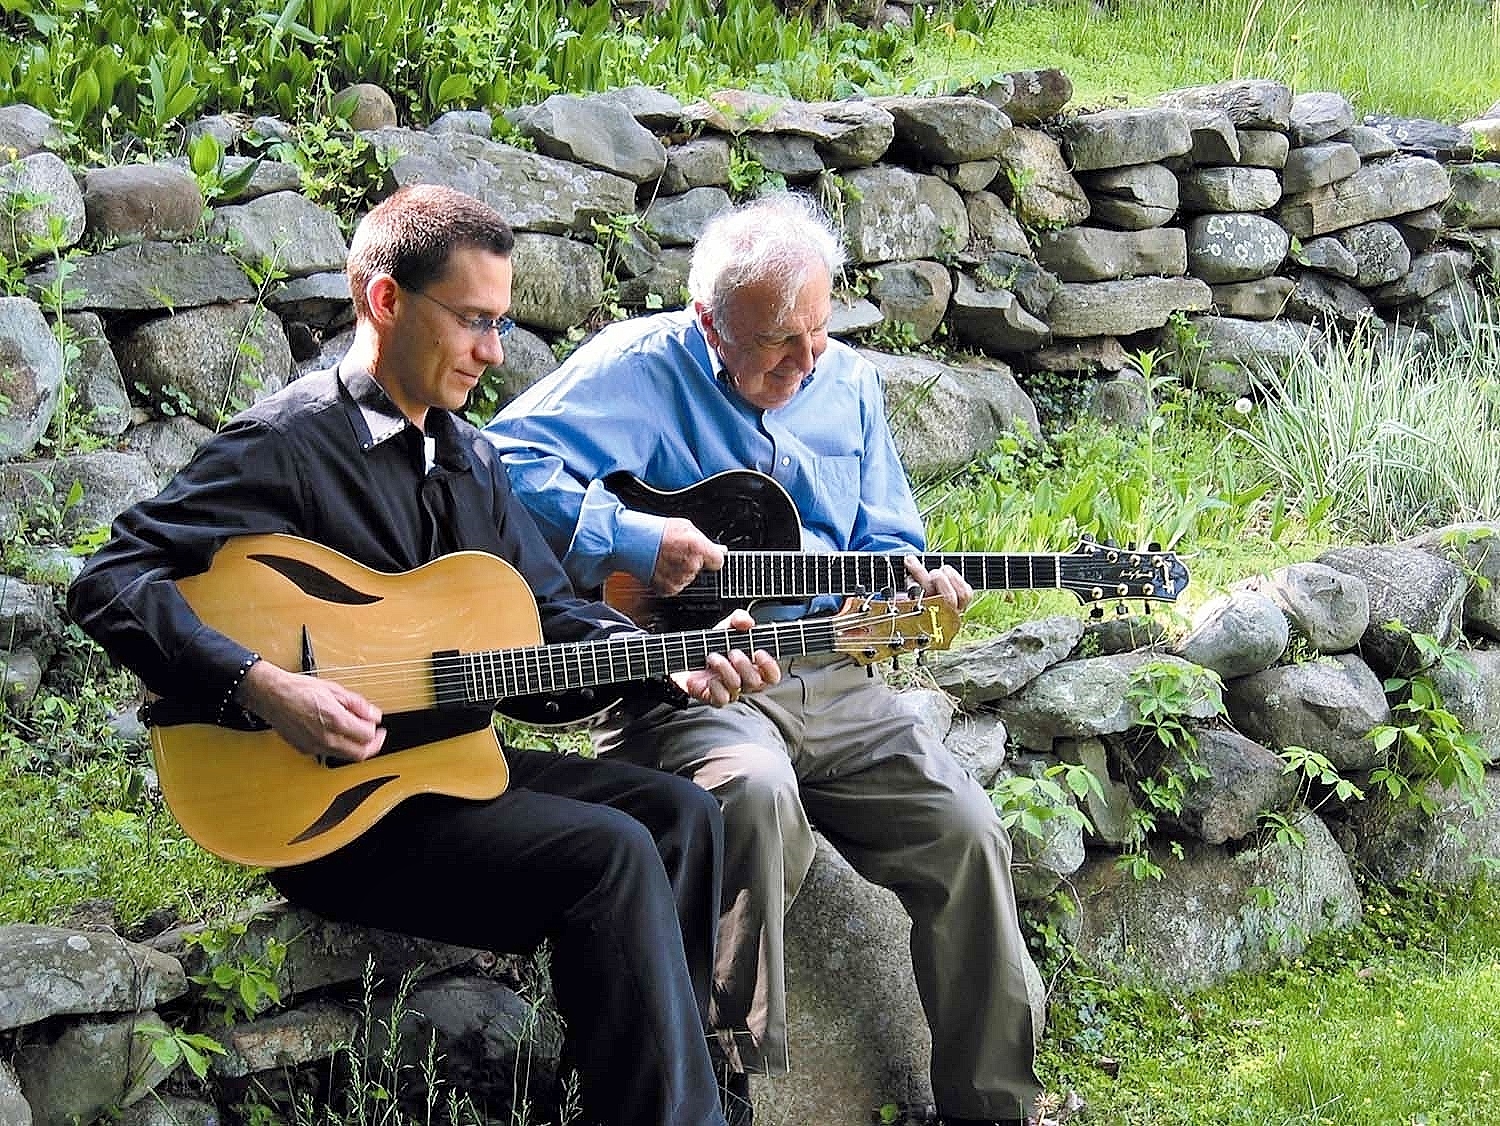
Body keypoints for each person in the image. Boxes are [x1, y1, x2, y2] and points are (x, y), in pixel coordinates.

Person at [66, 184, 783, 1126]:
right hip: (329, 808)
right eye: (474, 322)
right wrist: (262, 684)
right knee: (609, 852)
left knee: (683, 813)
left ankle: (661, 1099)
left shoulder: (472, 460)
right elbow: (109, 579)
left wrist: (663, 658)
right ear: (386, 301)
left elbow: (549, 627)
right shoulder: (286, 445)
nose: (493, 352)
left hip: (446, 770)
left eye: (501, 323)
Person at [486, 193, 1044, 1126]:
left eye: (820, 330)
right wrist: (630, 538)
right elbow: (499, 463)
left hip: (830, 669)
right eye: (781, 340)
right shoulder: (638, 368)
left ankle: (995, 1107)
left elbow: (889, 535)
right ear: (711, 323)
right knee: (750, 792)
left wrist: (908, 589)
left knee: (967, 831)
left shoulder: (849, 382)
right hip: (693, 674)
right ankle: (722, 1087)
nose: (808, 359)